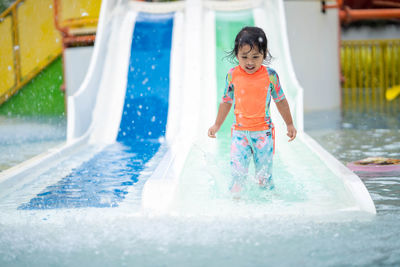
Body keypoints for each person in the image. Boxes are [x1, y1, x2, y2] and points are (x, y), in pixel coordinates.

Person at [208, 26, 297, 194]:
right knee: (237, 174)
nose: (250, 62)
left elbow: (281, 100)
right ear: (236, 55)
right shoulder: (232, 75)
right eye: (244, 57)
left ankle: (266, 202)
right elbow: (226, 101)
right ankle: (237, 203)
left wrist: (290, 124)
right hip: (240, 134)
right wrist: (217, 125)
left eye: (255, 57)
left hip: (263, 134)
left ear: (264, 53)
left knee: (264, 177)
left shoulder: (270, 76)